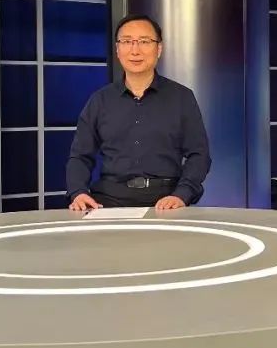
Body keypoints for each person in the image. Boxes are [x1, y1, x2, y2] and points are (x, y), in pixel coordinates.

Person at [67, 14, 211, 211]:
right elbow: (80, 155)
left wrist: (181, 195)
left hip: (166, 201)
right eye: (127, 42)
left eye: (144, 41)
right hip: (109, 201)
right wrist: (78, 192)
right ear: (117, 49)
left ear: (159, 49)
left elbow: (199, 155)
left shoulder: (182, 97)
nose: (135, 50)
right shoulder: (100, 100)